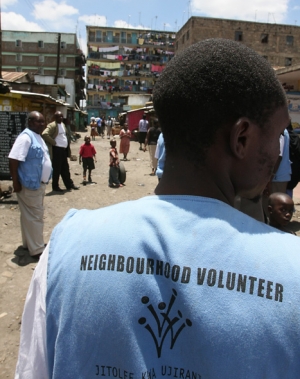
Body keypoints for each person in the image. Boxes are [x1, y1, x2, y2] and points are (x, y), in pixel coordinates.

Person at [15, 39, 300, 378]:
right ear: (241, 138)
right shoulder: (292, 270)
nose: (281, 152)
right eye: (279, 135)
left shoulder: (65, 247)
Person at [8, 112, 52, 264]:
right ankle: (37, 250)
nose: (42, 124)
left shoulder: (37, 136)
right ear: (30, 122)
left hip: (37, 184)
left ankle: (29, 245)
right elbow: (13, 159)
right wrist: (15, 182)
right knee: (35, 217)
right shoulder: (26, 137)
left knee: (28, 216)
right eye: (39, 122)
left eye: (43, 121)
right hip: (29, 185)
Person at [42, 111, 79, 192]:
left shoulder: (62, 125)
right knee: (57, 169)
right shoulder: (52, 125)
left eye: (62, 116)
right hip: (57, 150)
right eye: (59, 117)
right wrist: (53, 142)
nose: (61, 118)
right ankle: (55, 187)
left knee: (65, 168)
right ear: (55, 117)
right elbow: (44, 134)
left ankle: (69, 185)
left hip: (63, 150)